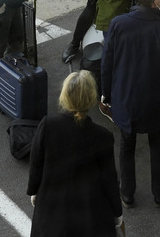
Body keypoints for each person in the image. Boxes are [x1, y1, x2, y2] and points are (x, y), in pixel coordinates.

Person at [100, 0, 160, 208]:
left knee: (126, 144)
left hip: (125, 98)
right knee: (157, 143)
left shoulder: (118, 24)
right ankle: (159, 191)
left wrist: (105, 94)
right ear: (156, 1)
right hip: (156, 101)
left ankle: (127, 192)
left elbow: (107, 63)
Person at [27, 70, 124, 237]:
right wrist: (117, 213)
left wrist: (34, 191)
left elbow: (36, 163)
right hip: (88, 220)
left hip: (51, 215)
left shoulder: (48, 125)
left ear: (65, 95)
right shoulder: (102, 136)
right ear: (90, 98)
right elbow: (109, 180)